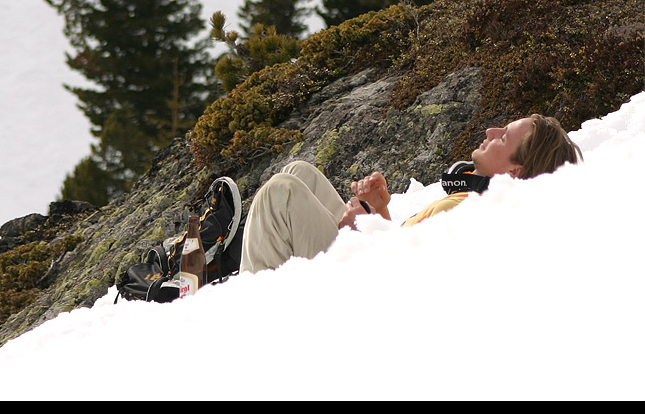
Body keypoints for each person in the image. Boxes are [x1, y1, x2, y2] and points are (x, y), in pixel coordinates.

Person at [240, 114, 582, 273]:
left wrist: (355, 233)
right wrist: (378, 215)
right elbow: (411, 253)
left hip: (354, 287)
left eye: (503, 137)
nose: (491, 131)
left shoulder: (470, 214)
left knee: (281, 193)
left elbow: (404, 281)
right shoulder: (472, 201)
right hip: (369, 260)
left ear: (514, 172)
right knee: (300, 172)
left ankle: (251, 314)